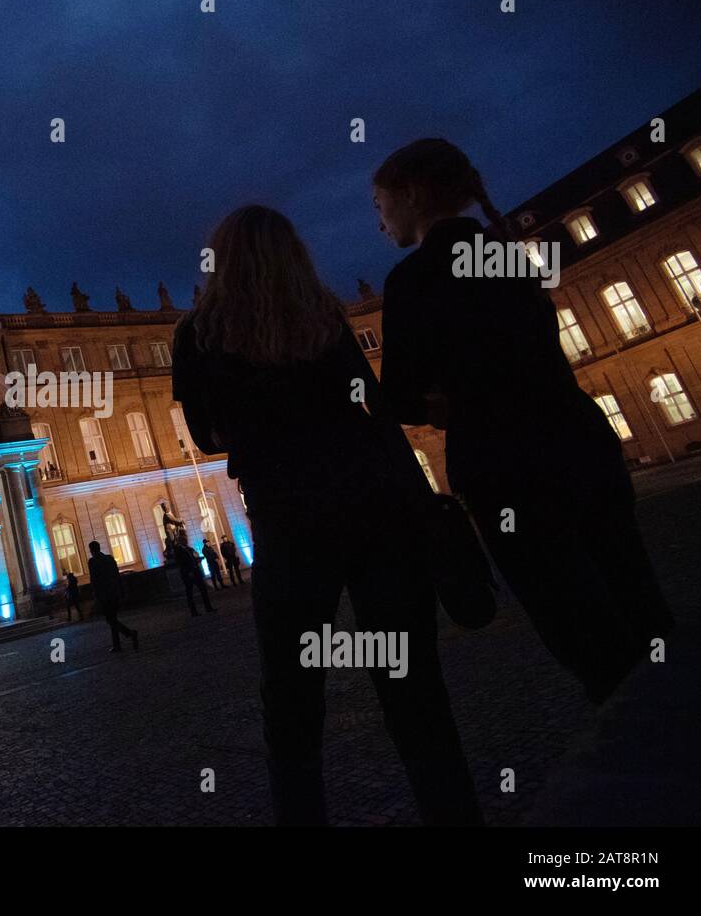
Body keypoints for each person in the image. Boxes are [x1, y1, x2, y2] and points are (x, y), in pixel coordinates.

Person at [172, 204, 481, 826]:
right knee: (409, 681)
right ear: (294, 255)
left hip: (290, 521)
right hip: (376, 509)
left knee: (290, 696)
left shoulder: (197, 334)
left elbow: (206, 436)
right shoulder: (325, 320)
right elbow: (375, 411)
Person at [372, 138, 674, 704]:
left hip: (503, 467)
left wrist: (448, 403)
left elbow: (400, 397)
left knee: (579, 630)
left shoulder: (411, 281)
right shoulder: (507, 252)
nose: (379, 220)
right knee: (639, 601)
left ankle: (645, 750)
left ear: (411, 195)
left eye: (379, 204)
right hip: (581, 441)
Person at [87, 541, 138, 652]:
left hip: (104, 595)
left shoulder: (92, 562)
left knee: (111, 620)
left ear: (91, 550)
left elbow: (94, 580)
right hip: (114, 593)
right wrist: (121, 591)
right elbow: (117, 575)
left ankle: (130, 633)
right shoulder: (109, 558)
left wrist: (95, 594)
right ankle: (117, 645)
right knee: (113, 619)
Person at [174, 541, 215, 616]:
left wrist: (197, 559)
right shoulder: (178, 550)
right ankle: (193, 611)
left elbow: (195, 556)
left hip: (195, 571)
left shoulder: (189, 548)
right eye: (183, 537)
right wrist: (188, 571)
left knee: (203, 589)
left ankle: (208, 607)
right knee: (190, 593)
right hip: (188, 574)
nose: (185, 539)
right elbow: (181, 562)